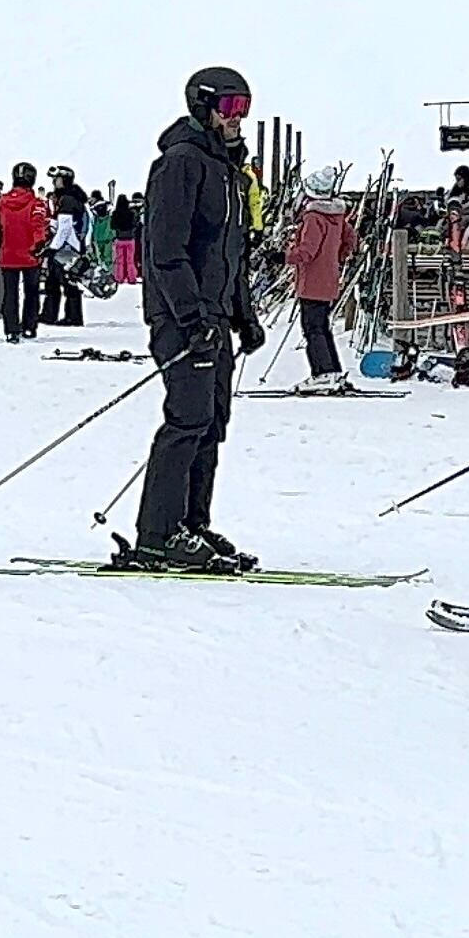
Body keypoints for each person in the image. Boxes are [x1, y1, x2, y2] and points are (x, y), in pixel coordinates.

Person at [124, 68, 262, 572]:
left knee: (212, 423)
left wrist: (242, 316)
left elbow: (230, 254)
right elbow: (165, 251)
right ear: (203, 107)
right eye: (229, 108)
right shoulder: (180, 164)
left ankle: (191, 524)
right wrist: (191, 316)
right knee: (187, 421)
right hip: (182, 319)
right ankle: (158, 534)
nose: (238, 119)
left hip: (214, 317)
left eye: (244, 108)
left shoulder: (226, 170)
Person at [286, 172, 355, 389]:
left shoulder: (313, 217)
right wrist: (337, 259)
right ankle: (332, 370)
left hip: (312, 282)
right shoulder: (338, 216)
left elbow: (307, 251)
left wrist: (286, 256)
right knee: (322, 327)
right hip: (329, 279)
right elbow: (351, 240)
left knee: (312, 328)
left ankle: (322, 372)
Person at [0, 161, 51, 342]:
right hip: (30, 255)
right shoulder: (37, 204)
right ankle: (29, 327)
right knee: (31, 292)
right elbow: (38, 226)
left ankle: (11, 329)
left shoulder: (0, 203)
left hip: (6, 255)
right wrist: (40, 246)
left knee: (10, 293)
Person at [42, 166, 90, 326]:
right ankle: (62, 314)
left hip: (66, 247)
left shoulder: (67, 199)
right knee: (60, 281)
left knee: (62, 282)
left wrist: (52, 248)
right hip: (73, 245)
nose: (54, 182)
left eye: (56, 179)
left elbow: (65, 227)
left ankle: (68, 316)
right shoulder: (73, 197)